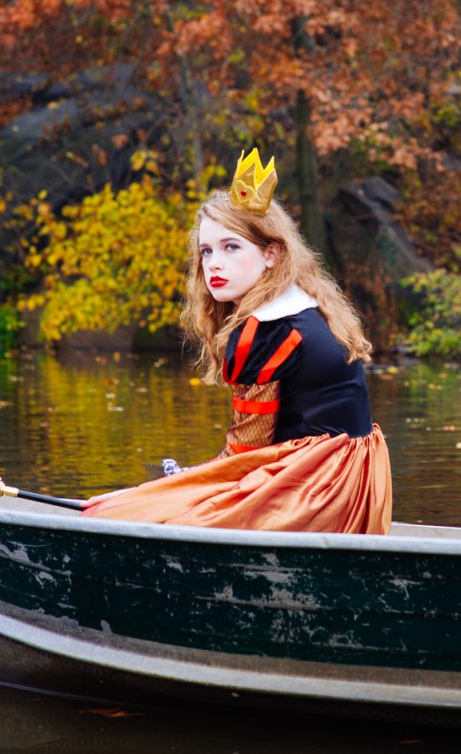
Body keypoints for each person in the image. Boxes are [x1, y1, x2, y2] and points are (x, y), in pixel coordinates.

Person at [81, 149, 392, 534]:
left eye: (231, 247)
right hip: (357, 483)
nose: (213, 263)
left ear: (271, 254)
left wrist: (185, 482)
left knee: (130, 508)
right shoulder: (309, 306)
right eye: (206, 251)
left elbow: (246, 450)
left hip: (317, 487)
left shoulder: (264, 330)